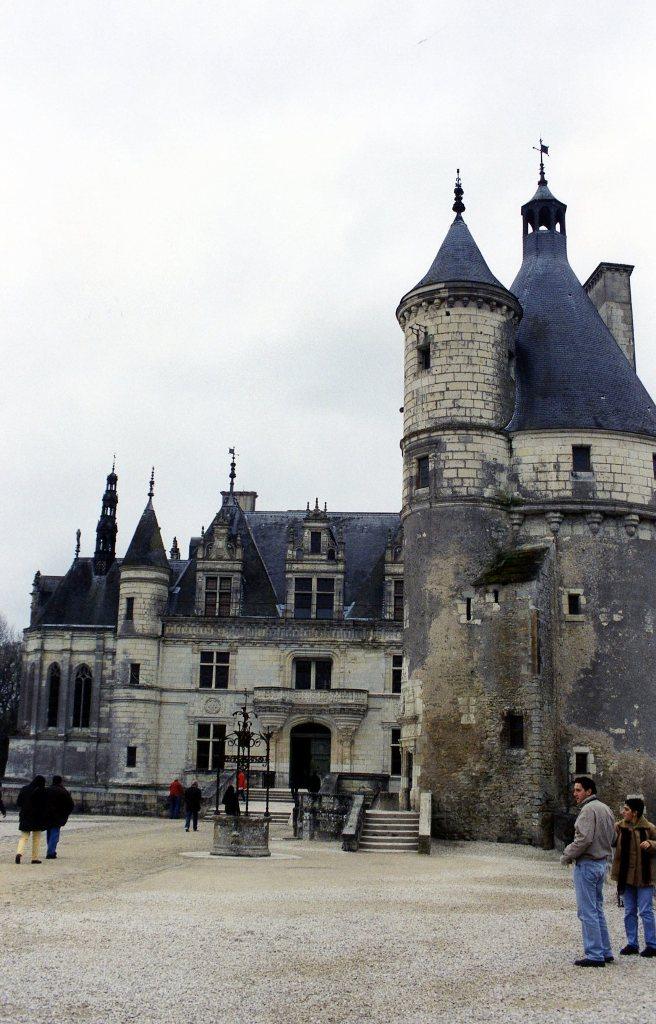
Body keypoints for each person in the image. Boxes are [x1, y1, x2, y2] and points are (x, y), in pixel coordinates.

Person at [561, 776, 616, 967]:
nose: (574, 794)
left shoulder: (587, 810)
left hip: (587, 864)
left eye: (578, 790)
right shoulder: (606, 809)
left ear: (589, 792)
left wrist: (566, 855)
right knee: (597, 909)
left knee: (587, 911)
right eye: (575, 790)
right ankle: (605, 950)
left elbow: (583, 840)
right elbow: (613, 836)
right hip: (601, 864)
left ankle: (594, 954)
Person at [611, 796, 656, 957]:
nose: (623, 812)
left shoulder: (649, 828)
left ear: (635, 813)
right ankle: (632, 943)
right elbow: (611, 840)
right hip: (626, 876)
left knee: (646, 910)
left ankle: (652, 944)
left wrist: (651, 844)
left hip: (645, 876)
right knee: (629, 910)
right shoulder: (619, 827)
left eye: (627, 809)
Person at [15, 775, 48, 864]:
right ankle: (34, 858)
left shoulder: (24, 789)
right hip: (38, 817)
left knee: (24, 837)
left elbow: (18, 802)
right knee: (36, 838)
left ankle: (19, 853)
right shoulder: (43, 791)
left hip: (25, 815)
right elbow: (45, 806)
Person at [44, 775, 74, 859]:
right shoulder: (63, 791)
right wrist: (65, 813)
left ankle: (50, 849)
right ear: (61, 782)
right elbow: (70, 804)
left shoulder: (47, 790)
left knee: (49, 833)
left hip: (48, 815)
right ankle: (51, 852)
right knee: (55, 833)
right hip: (58, 816)